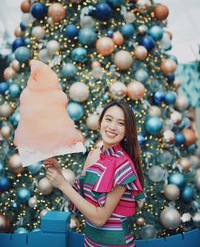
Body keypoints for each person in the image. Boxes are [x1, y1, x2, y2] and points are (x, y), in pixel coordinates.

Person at [45, 100, 145, 246]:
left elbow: (99, 219)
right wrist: (60, 175)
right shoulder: (93, 155)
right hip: (90, 243)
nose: (112, 127)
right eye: (108, 119)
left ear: (126, 131)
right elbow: (78, 201)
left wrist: (63, 185)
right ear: (101, 122)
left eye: (121, 123)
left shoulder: (123, 165)